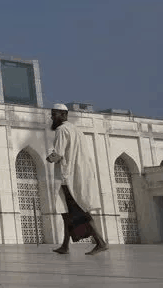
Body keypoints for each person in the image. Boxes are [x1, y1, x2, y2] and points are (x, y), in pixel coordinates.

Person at [46, 103, 108, 255]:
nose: (52, 117)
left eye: (55, 114)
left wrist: (48, 158)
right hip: (77, 175)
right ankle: (65, 246)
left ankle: (101, 242)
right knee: (66, 213)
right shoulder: (77, 130)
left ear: (64, 115)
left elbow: (58, 154)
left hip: (67, 178)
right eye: (52, 114)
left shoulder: (62, 130)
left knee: (80, 212)